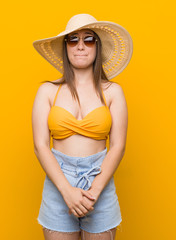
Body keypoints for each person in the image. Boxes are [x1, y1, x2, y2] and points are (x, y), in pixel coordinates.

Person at [31, 13, 133, 240]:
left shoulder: (113, 92)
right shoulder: (47, 91)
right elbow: (40, 145)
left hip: (100, 181)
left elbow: (118, 146)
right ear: (65, 47)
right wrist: (67, 192)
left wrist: (94, 192)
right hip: (59, 182)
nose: (80, 46)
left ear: (97, 47)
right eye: (73, 39)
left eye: (88, 40)